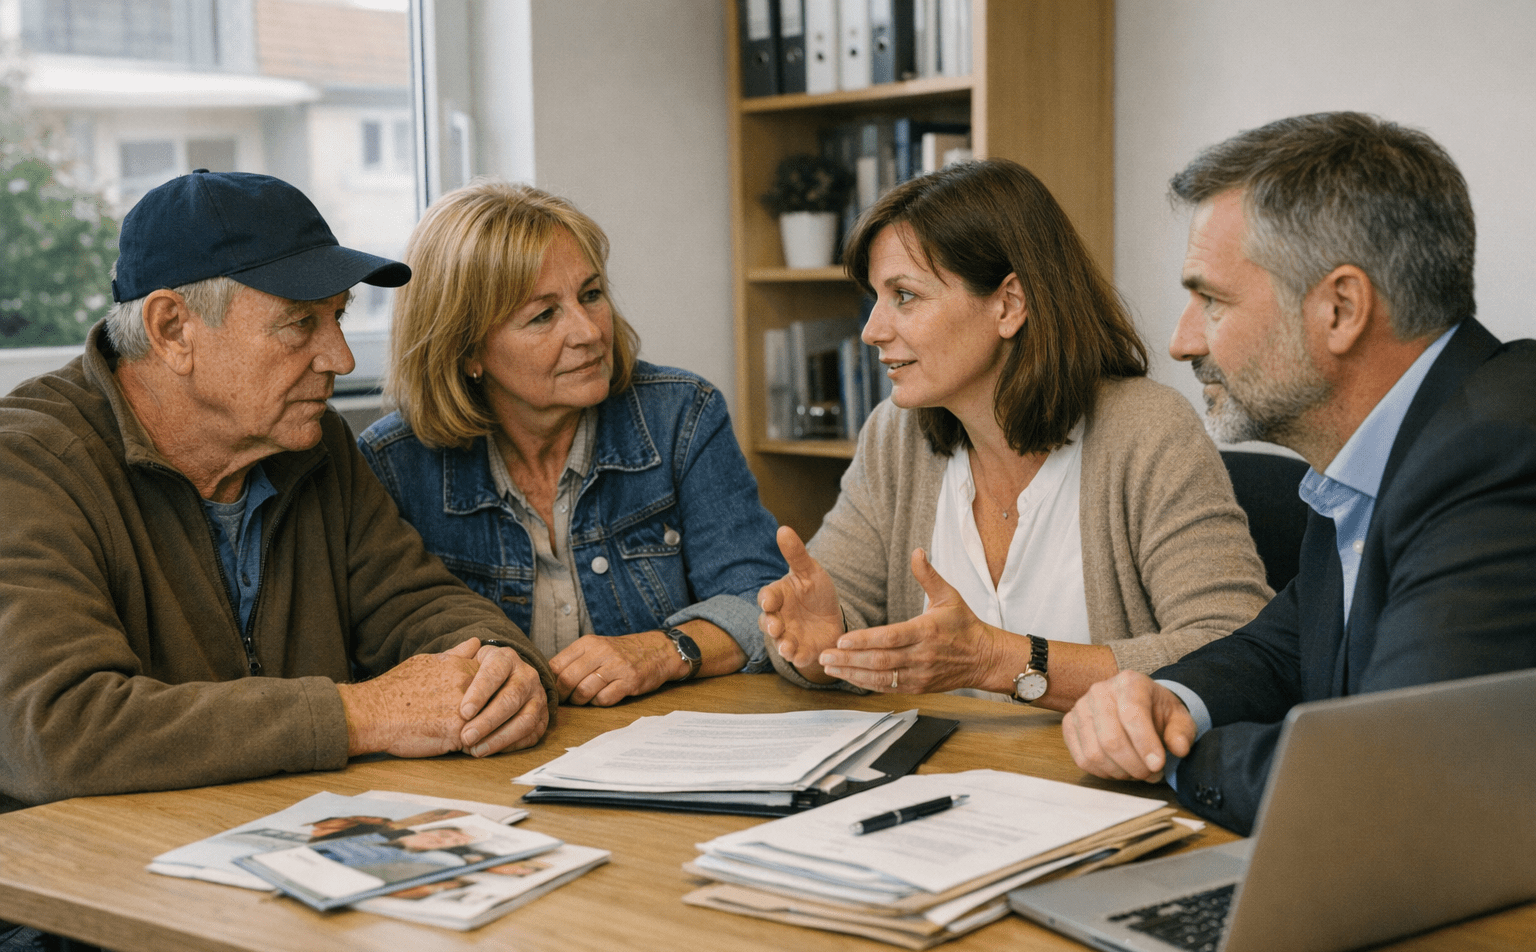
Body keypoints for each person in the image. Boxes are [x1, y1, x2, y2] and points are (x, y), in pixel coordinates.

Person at [0, 170, 554, 952]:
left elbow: (424, 606)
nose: (336, 357)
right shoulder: (27, 465)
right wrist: (363, 715)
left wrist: (501, 672)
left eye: (337, 320)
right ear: (172, 327)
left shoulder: (312, 445)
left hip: (260, 865)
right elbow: (60, 732)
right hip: (57, 913)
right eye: (301, 324)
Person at [1062, 112, 1536, 836]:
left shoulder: (1495, 451)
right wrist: (1167, 701)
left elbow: (1384, 773)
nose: (1182, 339)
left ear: (1340, 309)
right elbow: (1285, 645)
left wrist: (1174, 756)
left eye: (1211, 300)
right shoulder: (1384, 443)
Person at [757, 159, 1271, 708]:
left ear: (1009, 304)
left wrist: (1000, 660)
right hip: (945, 782)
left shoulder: (1147, 431)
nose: (872, 331)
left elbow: (1236, 649)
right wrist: (818, 649)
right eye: (875, 299)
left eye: (904, 296)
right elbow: (831, 622)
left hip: (1107, 785)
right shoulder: (896, 435)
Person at [358, 181, 787, 706]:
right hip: (485, 764)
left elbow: (766, 604)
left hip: (661, 747)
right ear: (467, 349)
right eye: (543, 315)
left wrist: (661, 651)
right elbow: (380, 655)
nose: (588, 331)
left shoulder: (681, 414)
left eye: (591, 295)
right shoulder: (394, 463)